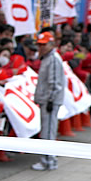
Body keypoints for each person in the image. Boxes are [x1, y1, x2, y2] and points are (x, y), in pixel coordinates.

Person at [32, 31, 66, 171]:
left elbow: (54, 83)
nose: (41, 47)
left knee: (49, 131)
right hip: (47, 99)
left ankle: (48, 160)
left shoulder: (52, 59)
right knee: (47, 130)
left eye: (44, 45)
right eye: (40, 45)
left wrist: (51, 99)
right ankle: (47, 159)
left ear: (51, 44)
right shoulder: (47, 58)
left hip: (49, 100)